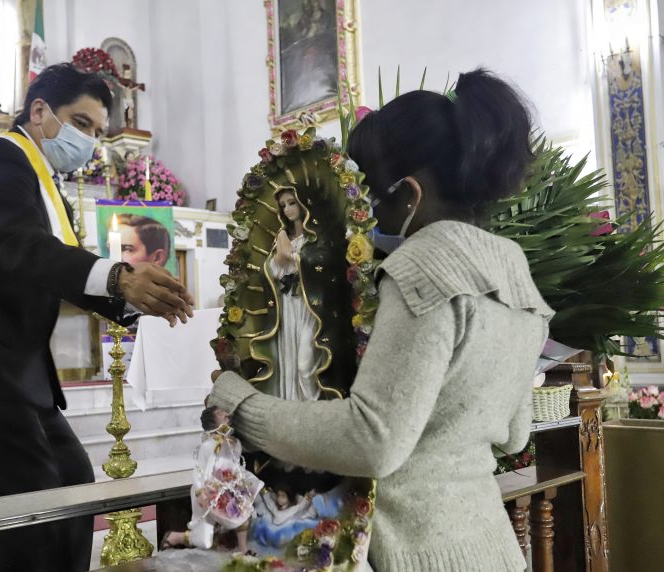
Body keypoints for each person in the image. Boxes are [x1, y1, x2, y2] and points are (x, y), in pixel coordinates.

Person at [209, 68, 554, 571]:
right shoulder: (513, 266)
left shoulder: (423, 263)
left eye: (368, 198)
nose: (364, 220)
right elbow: (515, 432)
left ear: (408, 194)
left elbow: (372, 440)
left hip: (418, 553)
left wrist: (241, 404)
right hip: (491, 547)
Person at [0, 63, 193, 572]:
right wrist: (122, 278)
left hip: (12, 373)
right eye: (81, 123)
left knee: (72, 492)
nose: (89, 141)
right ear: (39, 111)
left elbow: (65, 266)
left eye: (97, 132)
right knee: (32, 515)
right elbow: (23, 248)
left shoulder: (41, 179)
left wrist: (144, 308)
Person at [162, 406, 263, 554]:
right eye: (221, 413)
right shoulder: (208, 446)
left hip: (229, 487)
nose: (226, 414)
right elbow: (198, 470)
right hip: (210, 492)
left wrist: (246, 481)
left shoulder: (234, 443)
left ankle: (243, 549)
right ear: (213, 421)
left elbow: (235, 465)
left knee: (241, 515)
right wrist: (200, 492)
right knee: (204, 541)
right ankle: (177, 537)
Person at [267, 188, 320, 401]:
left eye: (292, 203)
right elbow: (273, 271)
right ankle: (292, 408)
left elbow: (321, 265)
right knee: (288, 362)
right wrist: (280, 259)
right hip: (288, 305)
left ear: (303, 203)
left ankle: (312, 412)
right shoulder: (283, 239)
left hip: (309, 308)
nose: (288, 209)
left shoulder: (314, 238)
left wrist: (294, 258)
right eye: (283, 205)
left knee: (304, 364)